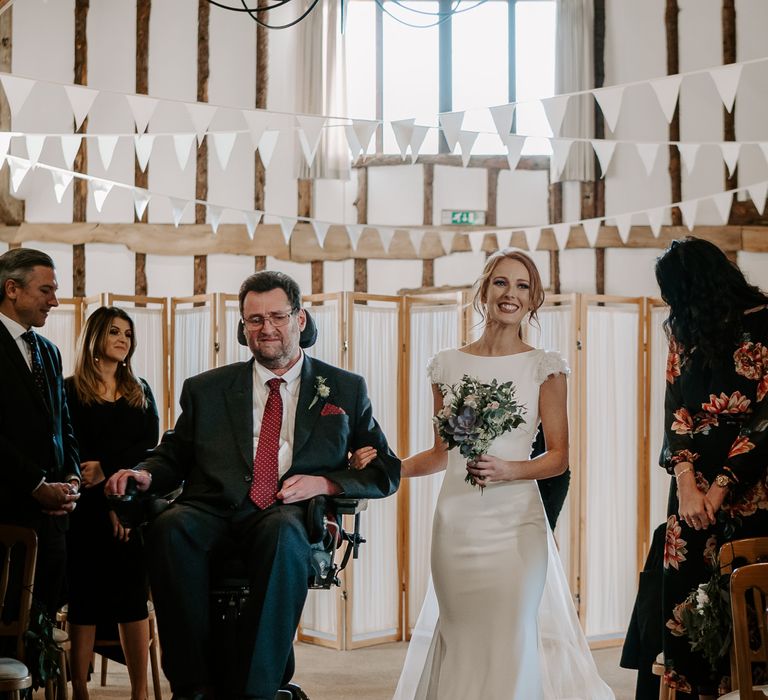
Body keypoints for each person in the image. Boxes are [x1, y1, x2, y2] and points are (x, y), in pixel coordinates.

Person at [106, 270, 401, 700]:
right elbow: (173, 454)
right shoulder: (206, 389)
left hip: (286, 513)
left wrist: (324, 482)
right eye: (254, 320)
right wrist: (145, 474)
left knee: (282, 534)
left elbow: (385, 470)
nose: (266, 329)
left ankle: (256, 692)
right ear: (243, 326)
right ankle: (192, 687)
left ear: (300, 319)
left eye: (277, 316)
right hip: (210, 509)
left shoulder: (344, 389)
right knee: (170, 528)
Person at [390, 248, 613, 700]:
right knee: (462, 638)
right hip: (456, 526)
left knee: (511, 636)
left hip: (515, 529)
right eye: (501, 282)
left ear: (533, 301)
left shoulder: (544, 367)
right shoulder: (446, 365)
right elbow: (440, 454)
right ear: (484, 289)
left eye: (523, 286)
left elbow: (559, 458)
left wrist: (509, 468)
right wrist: (386, 469)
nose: (510, 294)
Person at [655, 237, 768, 698]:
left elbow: (766, 417)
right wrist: (686, 483)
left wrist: (721, 485)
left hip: (754, 482)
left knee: (751, 603)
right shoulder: (685, 329)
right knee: (686, 599)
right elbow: (675, 407)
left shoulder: (765, 322)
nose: (672, 306)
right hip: (691, 489)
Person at [65, 306, 159, 700]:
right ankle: (81, 690)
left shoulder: (141, 391)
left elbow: (148, 449)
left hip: (130, 505)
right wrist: (99, 481)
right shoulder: (69, 389)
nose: (123, 340)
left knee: (131, 599)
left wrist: (113, 480)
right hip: (84, 509)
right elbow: (72, 449)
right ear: (95, 339)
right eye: (115, 332)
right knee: (83, 598)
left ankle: (139, 692)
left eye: (128, 334)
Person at [0, 247, 80, 616]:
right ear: (12, 288)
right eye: (45, 290)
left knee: (42, 627)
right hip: (7, 514)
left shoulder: (48, 351)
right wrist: (35, 485)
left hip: (53, 522)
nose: (55, 300)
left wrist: (72, 477)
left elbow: (64, 424)